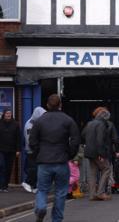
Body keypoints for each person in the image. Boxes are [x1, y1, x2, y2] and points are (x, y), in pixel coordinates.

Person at [29, 94, 80, 222]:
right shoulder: (68, 120)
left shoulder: (39, 121)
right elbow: (75, 140)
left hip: (44, 161)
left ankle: (40, 208)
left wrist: (38, 154)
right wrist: (69, 155)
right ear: (60, 105)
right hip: (62, 161)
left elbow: (32, 141)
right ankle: (56, 219)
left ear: (47, 105)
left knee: (42, 190)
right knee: (61, 192)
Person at [82, 107, 117, 201]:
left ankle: (92, 194)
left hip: (89, 151)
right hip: (97, 152)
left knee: (92, 173)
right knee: (107, 169)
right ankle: (101, 193)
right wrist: (101, 154)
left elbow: (83, 135)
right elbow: (100, 140)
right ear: (105, 117)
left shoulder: (89, 123)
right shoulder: (101, 124)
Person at [22, 107, 46, 193]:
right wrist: (36, 148)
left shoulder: (37, 123)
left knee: (36, 169)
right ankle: (27, 182)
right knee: (34, 169)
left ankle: (35, 186)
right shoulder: (29, 124)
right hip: (32, 150)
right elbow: (29, 139)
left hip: (36, 150)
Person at [0, 108, 20, 192]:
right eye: (7, 113)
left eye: (10, 113)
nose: (8, 115)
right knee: (2, 166)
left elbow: (18, 138)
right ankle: (1, 185)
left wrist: (18, 150)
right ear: (4, 114)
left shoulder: (15, 124)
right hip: (1, 149)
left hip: (11, 150)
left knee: (8, 168)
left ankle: (5, 185)